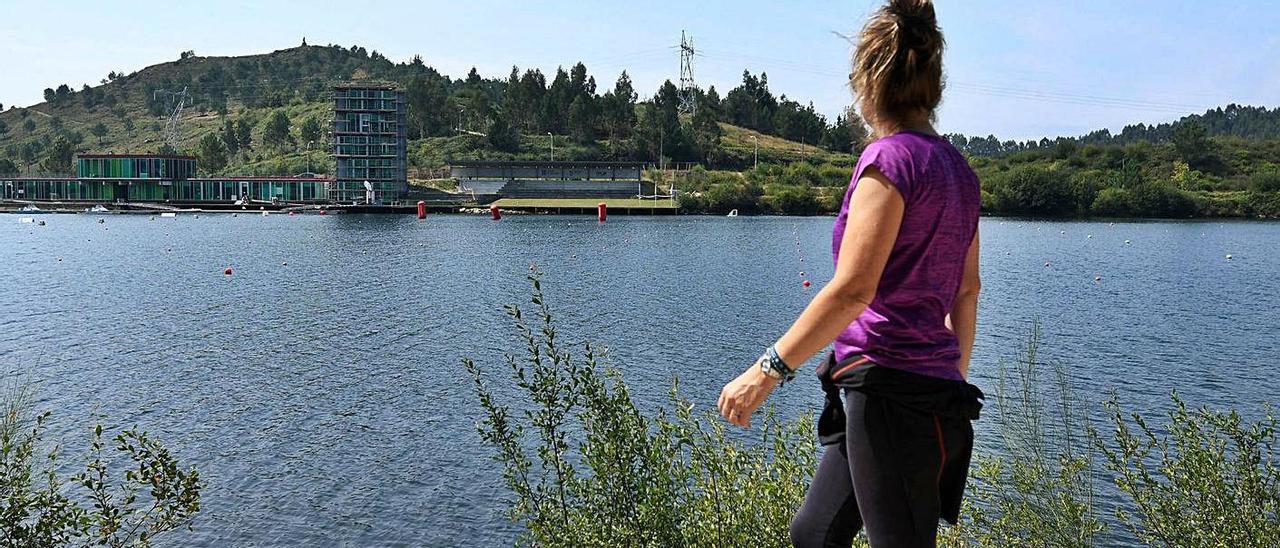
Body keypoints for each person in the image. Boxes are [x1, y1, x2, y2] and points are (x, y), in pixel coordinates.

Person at [716, 1, 983, 546]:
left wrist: (765, 372)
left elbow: (854, 289)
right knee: (814, 535)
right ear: (933, 83)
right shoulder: (960, 171)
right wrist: (949, 375)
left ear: (868, 80)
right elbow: (967, 289)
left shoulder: (890, 162)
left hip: (891, 389)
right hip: (889, 385)